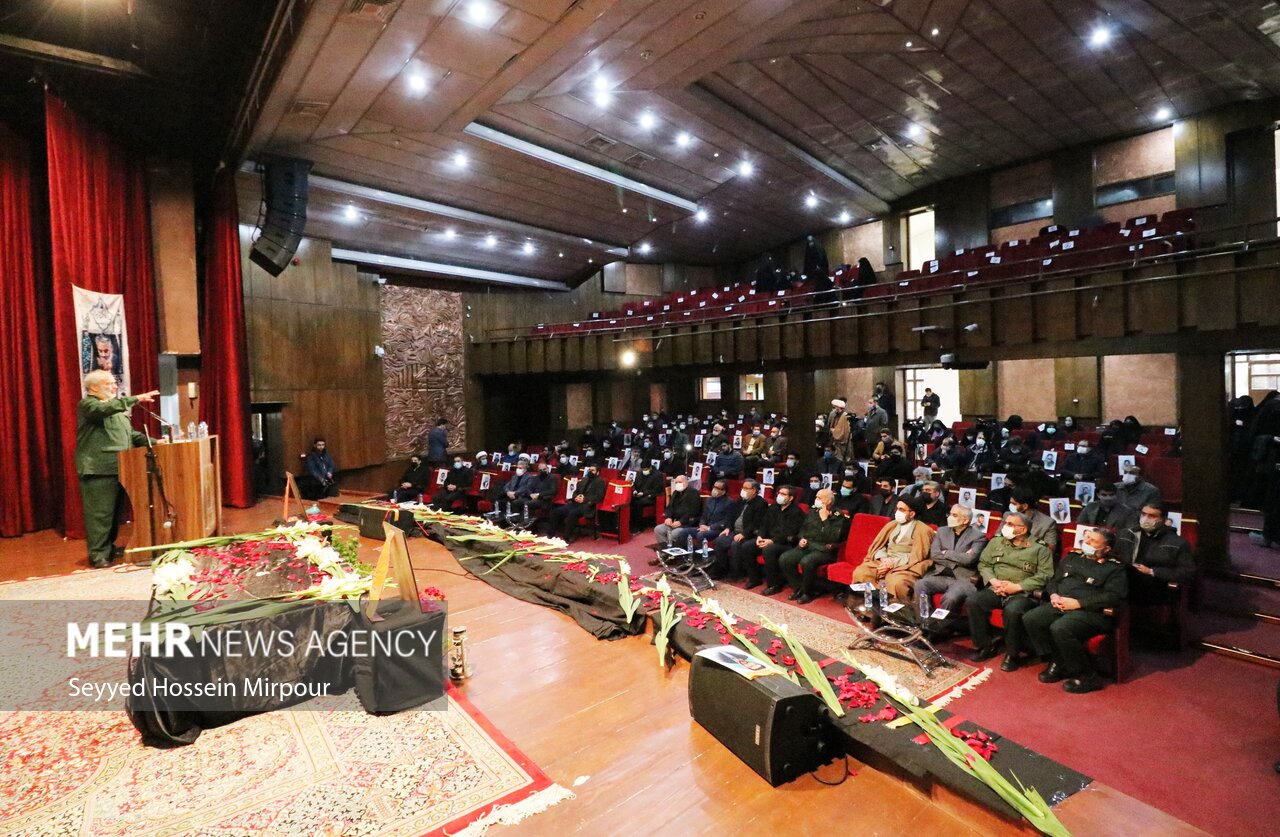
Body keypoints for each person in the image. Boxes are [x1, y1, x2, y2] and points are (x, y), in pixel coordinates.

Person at [1025, 528, 1128, 693]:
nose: (1086, 543)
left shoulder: (1115, 568)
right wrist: (1053, 595)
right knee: (1032, 618)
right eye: (1086, 539)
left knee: (1060, 628)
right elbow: (1054, 580)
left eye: (1093, 541)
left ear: (1106, 549)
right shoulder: (1072, 557)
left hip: (1092, 612)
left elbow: (1114, 596)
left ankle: (1087, 676)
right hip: (1061, 603)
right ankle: (1058, 660)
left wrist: (1079, 603)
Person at [76, 371, 160, 568]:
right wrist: (135, 399)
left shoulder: (117, 410)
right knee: (100, 515)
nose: (115, 387)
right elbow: (103, 410)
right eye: (110, 383)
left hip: (121, 467)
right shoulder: (89, 405)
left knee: (115, 514)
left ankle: (109, 547)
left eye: (115, 383)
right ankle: (98, 554)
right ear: (94, 388)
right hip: (98, 469)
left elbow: (131, 435)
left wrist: (157, 442)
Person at [967, 511, 1055, 671]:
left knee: (1013, 611)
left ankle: (1012, 654)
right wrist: (994, 581)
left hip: (1022, 592)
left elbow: (1045, 575)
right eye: (1005, 523)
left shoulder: (1039, 549)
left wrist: (1017, 587)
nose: (1004, 527)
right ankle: (984, 645)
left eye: (1010, 524)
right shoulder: (996, 542)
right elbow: (984, 564)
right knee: (974, 601)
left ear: (1022, 530)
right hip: (996, 587)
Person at [917, 504, 989, 636]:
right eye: (950, 514)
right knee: (920, 585)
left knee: (950, 598)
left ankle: (938, 631)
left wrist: (947, 553)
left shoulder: (978, 536)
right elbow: (935, 555)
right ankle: (924, 624)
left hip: (963, 579)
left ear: (965, 520)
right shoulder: (942, 531)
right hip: (940, 574)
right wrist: (957, 560)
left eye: (954, 515)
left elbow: (970, 560)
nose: (950, 517)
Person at [849, 496, 935, 601]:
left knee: (896, 583)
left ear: (912, 514)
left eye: (901, 510)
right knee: (861, 573)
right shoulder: (892, 525)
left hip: (906, 566)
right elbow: (879, 546)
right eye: (897, 508)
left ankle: (894, 613)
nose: (897, 512)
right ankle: (866, 606)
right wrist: (884, 559)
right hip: (884, 560)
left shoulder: (923, 530)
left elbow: (918, 555)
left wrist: (893, 563)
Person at [1114, 503, 1195, 605]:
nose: (1145, 518)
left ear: (1163, 519)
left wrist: (1152, 571)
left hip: (1154, 586)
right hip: (1123, 580)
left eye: (1152, 516)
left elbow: (1187, 572)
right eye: (1143, 514)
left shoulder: (1177, 543)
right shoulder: (1125, 534)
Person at [776, 488, 847, 603]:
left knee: (806, 561)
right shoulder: (812, 511)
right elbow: (803, 528)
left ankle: (808, 593)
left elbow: (833, 537)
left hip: (824, 550)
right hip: (807, 545)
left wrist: (825, 520)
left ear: (828, 501)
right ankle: (799, 588)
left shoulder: (838, 515)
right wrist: (801, 538)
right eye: (816, 497)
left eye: (819, 498)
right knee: (785, 558)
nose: (816, 500)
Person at [753, 485, 805, 591]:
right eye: (779, 493)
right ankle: (754, 579)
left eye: (783, 494)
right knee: (747, 546)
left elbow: (790, 533)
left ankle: (774, 585)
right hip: (768, 539)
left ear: (791, 498)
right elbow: (764, 524)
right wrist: (760, 536)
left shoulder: (797, 512)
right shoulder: (773, 507)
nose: (779, 496)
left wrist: (771, 541)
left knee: (769, 550)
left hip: (786, 543)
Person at [713, 479, 768, 579]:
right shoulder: (740, 500)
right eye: (743, 487)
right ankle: (721, 570)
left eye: (746, 488)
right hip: (734, 530)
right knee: (720, 541)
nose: (743, 490)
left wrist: (744, 534)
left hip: (749, 533)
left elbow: (756, 523)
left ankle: (736, 573)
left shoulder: (761, 503)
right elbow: (731, 515)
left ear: (754, 490)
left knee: (735, 544)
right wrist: (728, 527)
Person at [547, 465, 605, 541]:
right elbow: (575, 492)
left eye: (593, 470)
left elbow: (599, 496)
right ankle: (551, 534)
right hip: (576, 503)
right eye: (589, 470)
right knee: (556, 511)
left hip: (588, 506)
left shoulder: (600, 482)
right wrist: (576, 497)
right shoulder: (584, 479)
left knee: (572, 513)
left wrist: (585, 499)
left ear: (597, 472)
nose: (590, 472)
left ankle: (567, 537)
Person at [652, 474, 703, 554]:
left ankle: (674, 555)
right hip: (674, 522)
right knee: (658, 529)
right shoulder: (676, 492)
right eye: (676, 482)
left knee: (674, 534)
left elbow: (693, 511)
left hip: (687, 523)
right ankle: (665, 554)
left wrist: (681, 522)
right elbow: (669, 507)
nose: (677, 484)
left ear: (686, 482)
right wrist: (668, 517)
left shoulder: (693, 493)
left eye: (680, 482)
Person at [682, 479, 737, 552]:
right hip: (704, 527)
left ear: (723, 491)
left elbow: (726, 521)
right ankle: (686, 554)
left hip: (717, 529)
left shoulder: (730, 502)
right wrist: (702, 524)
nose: (714, 489)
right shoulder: (710, 499)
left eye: (717, 488)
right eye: (714, 487)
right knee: (683, 532)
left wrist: (709, 528)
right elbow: (704, 515)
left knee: (700, 535)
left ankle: (701, 557)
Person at [1007, 485, 1060, 555]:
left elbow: (1049, 552)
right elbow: (998, 541)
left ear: (1025, 506)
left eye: (1014, 504)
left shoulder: (1048, 523)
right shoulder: (1007, 515)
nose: (1011, 506)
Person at [827, 398, 854, 463]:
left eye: (835, 407)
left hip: (842, 441)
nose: (834, 409)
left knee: (842, 458)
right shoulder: (834, 414)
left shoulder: (845, 416)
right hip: (835, 440)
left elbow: (845, 430)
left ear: (839, 408)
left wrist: (835, 431)